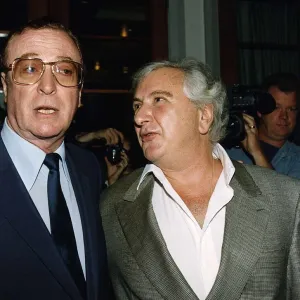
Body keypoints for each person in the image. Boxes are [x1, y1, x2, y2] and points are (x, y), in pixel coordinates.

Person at [100, 58, 300, 299]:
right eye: (136, 106)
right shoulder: (112, 206)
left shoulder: (286, 198)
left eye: (159, 100)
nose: (140, 117)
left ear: (204, 116)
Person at [0, 18, 109, 299]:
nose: (48, 86)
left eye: (65, 70)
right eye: (30, 69)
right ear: (5, 85)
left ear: (80, 92)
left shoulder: (89, 169)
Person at [226, 72, 300, 178]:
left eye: (291, 109)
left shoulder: (296, 158)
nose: (284, 116)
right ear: (260, 110)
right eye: (276, 108)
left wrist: (257, 152)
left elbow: (281, 194)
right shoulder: (231, 149)